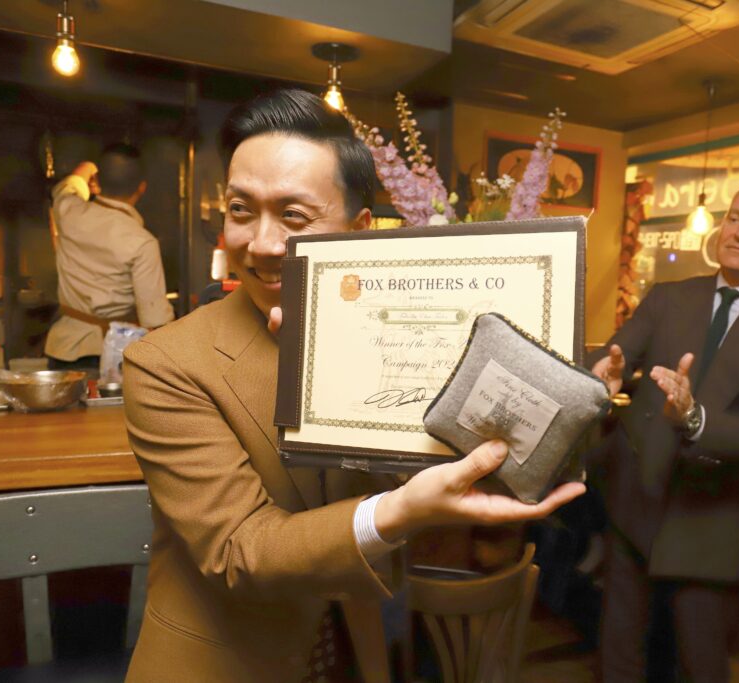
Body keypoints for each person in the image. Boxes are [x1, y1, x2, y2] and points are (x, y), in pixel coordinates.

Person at [121, 88, 585, 682]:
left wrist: (548, 401)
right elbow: (239, 549)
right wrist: (397, 511)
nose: (261, 243)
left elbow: (415, 460)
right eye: (241, 210)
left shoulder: (392, 336)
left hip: (354, 650)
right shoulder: (166, 362)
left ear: (360, 229)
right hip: (224, 663)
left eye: (293, 216)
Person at [589, 174, 739, 683]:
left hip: (716, 525)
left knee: (699, 663)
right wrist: (603, 374)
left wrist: (694, 417)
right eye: (735, 217)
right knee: (618, 655)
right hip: (637, 503)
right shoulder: (668, 297)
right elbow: (616, 356)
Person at [45, 143, 174, 369]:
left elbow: (64, 189)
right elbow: (155, 321)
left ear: (95, 182)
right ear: (141, 188)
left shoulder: (68, 212)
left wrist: (84, 169)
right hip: (113, 356)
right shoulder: (143, 242)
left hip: (63, 350)